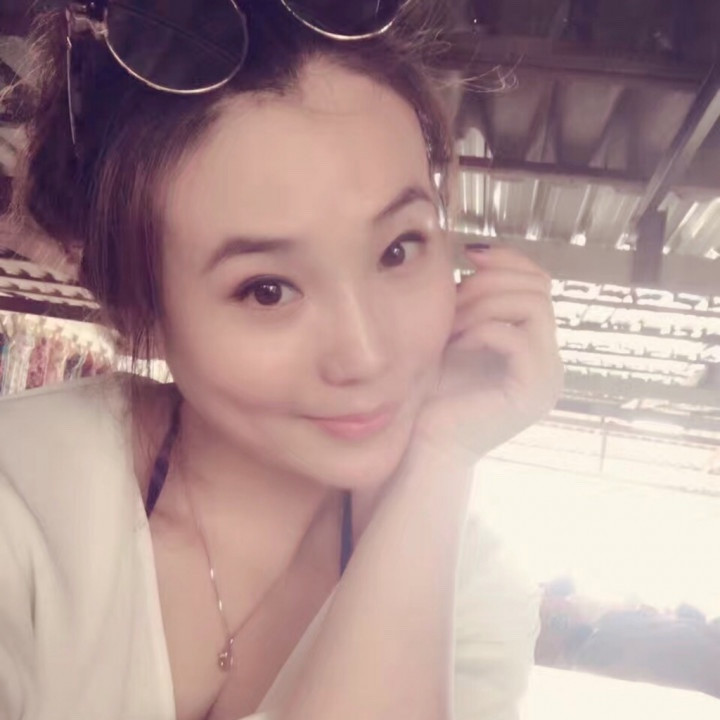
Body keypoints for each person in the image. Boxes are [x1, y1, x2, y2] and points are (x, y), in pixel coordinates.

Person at [0, 1, 563, 719]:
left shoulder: (472, 594)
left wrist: (441, 460)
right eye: (267, 290)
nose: (366, 355)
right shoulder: (25, 496)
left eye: (399, 249)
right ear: (143, 309)